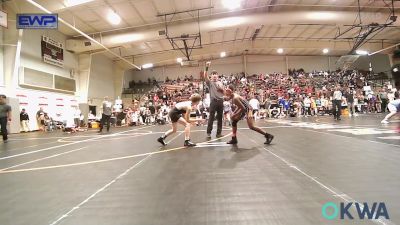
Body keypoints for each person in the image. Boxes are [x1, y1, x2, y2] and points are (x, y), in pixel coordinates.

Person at [201, 62, 224, 138]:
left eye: (215, 75)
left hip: (220, 101)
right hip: (213, 102)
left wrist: (221, 89)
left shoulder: (221, 83)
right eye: (213, 75)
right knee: (211, 117)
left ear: (217, 76)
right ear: (211, 77)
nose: (214, 76)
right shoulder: (210, 83)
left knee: (220, 118)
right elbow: (205, 76)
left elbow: (224, 92)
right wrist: (207, 67)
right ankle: (208, 132)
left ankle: (219, 133)